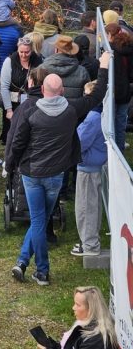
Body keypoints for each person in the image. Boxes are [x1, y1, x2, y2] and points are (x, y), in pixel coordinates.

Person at [7, 54, 109, 285]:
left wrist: (10, 166)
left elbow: (17, 143)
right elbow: (98, 94)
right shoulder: (72, 110)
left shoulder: (31, 112)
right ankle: (31, 266)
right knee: (40, 220)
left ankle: (35, 267)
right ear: (62, 91)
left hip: (32, 174)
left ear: (43, 89)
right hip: (55, 176)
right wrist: (103, 67)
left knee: (38, 220)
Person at [72, 82, 106, 258]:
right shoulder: (100, 115)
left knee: (86, 207)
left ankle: (90, 244)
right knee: (91, 206)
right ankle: (89, 241)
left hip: (88, 167)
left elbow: (80, 141)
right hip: (93, 165)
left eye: (86, 95)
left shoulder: (92, 117)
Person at [36, 286, 118, 349]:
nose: (73, 308)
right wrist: (52, 346)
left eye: (78, 305)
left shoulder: (97, 340)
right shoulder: (85, 325)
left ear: (91, 309)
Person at [0, 35, 43, 142]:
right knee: (12, 131)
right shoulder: (9, 61)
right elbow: (4, 87)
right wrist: (8, 110)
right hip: (12, 100)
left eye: (27, 52)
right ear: (17, 49)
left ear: (31, 50)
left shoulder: (38, 61)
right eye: (21, 52)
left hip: (30, 100)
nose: (23, 55)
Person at [104, 22, 133, 152]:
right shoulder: (129, 47)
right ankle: (119, 151)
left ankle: (111, 151)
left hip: (114, 90)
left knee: (110, 122)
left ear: (110, 35)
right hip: (126, 90)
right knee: (121, 122)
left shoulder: (111, 51)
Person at [42, 35, 90, 100]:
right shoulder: (82, 71)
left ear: (56, 50)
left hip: (49, 108)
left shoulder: (42, 68)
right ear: (72, 51)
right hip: (74, 109)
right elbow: (88, 92)